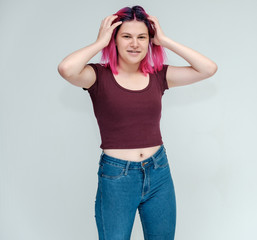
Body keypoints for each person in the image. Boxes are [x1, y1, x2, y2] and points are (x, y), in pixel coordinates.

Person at [58, 5, 217, 240]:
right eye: (126, 36)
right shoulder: (98, 76)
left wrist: (164, 40)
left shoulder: (158, 75)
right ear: (115, 40)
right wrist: (100, 42)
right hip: (117, 177)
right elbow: (66, 69)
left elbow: (208, 68)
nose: (135, 43)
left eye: (142, 37)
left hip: (159, 171)